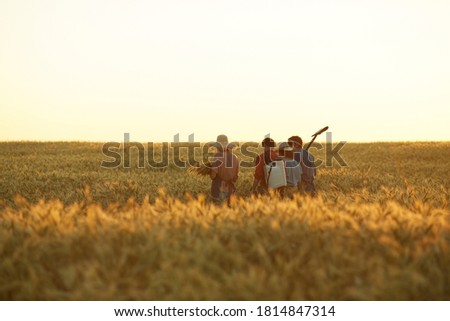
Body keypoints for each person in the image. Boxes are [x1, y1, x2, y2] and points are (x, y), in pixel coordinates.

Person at [210, 135, 239, 204]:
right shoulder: (235, 157)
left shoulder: (217, 156)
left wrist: (209, 170)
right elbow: (236, 176)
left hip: (218, 189)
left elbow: (213, 176)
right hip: (230, 191)